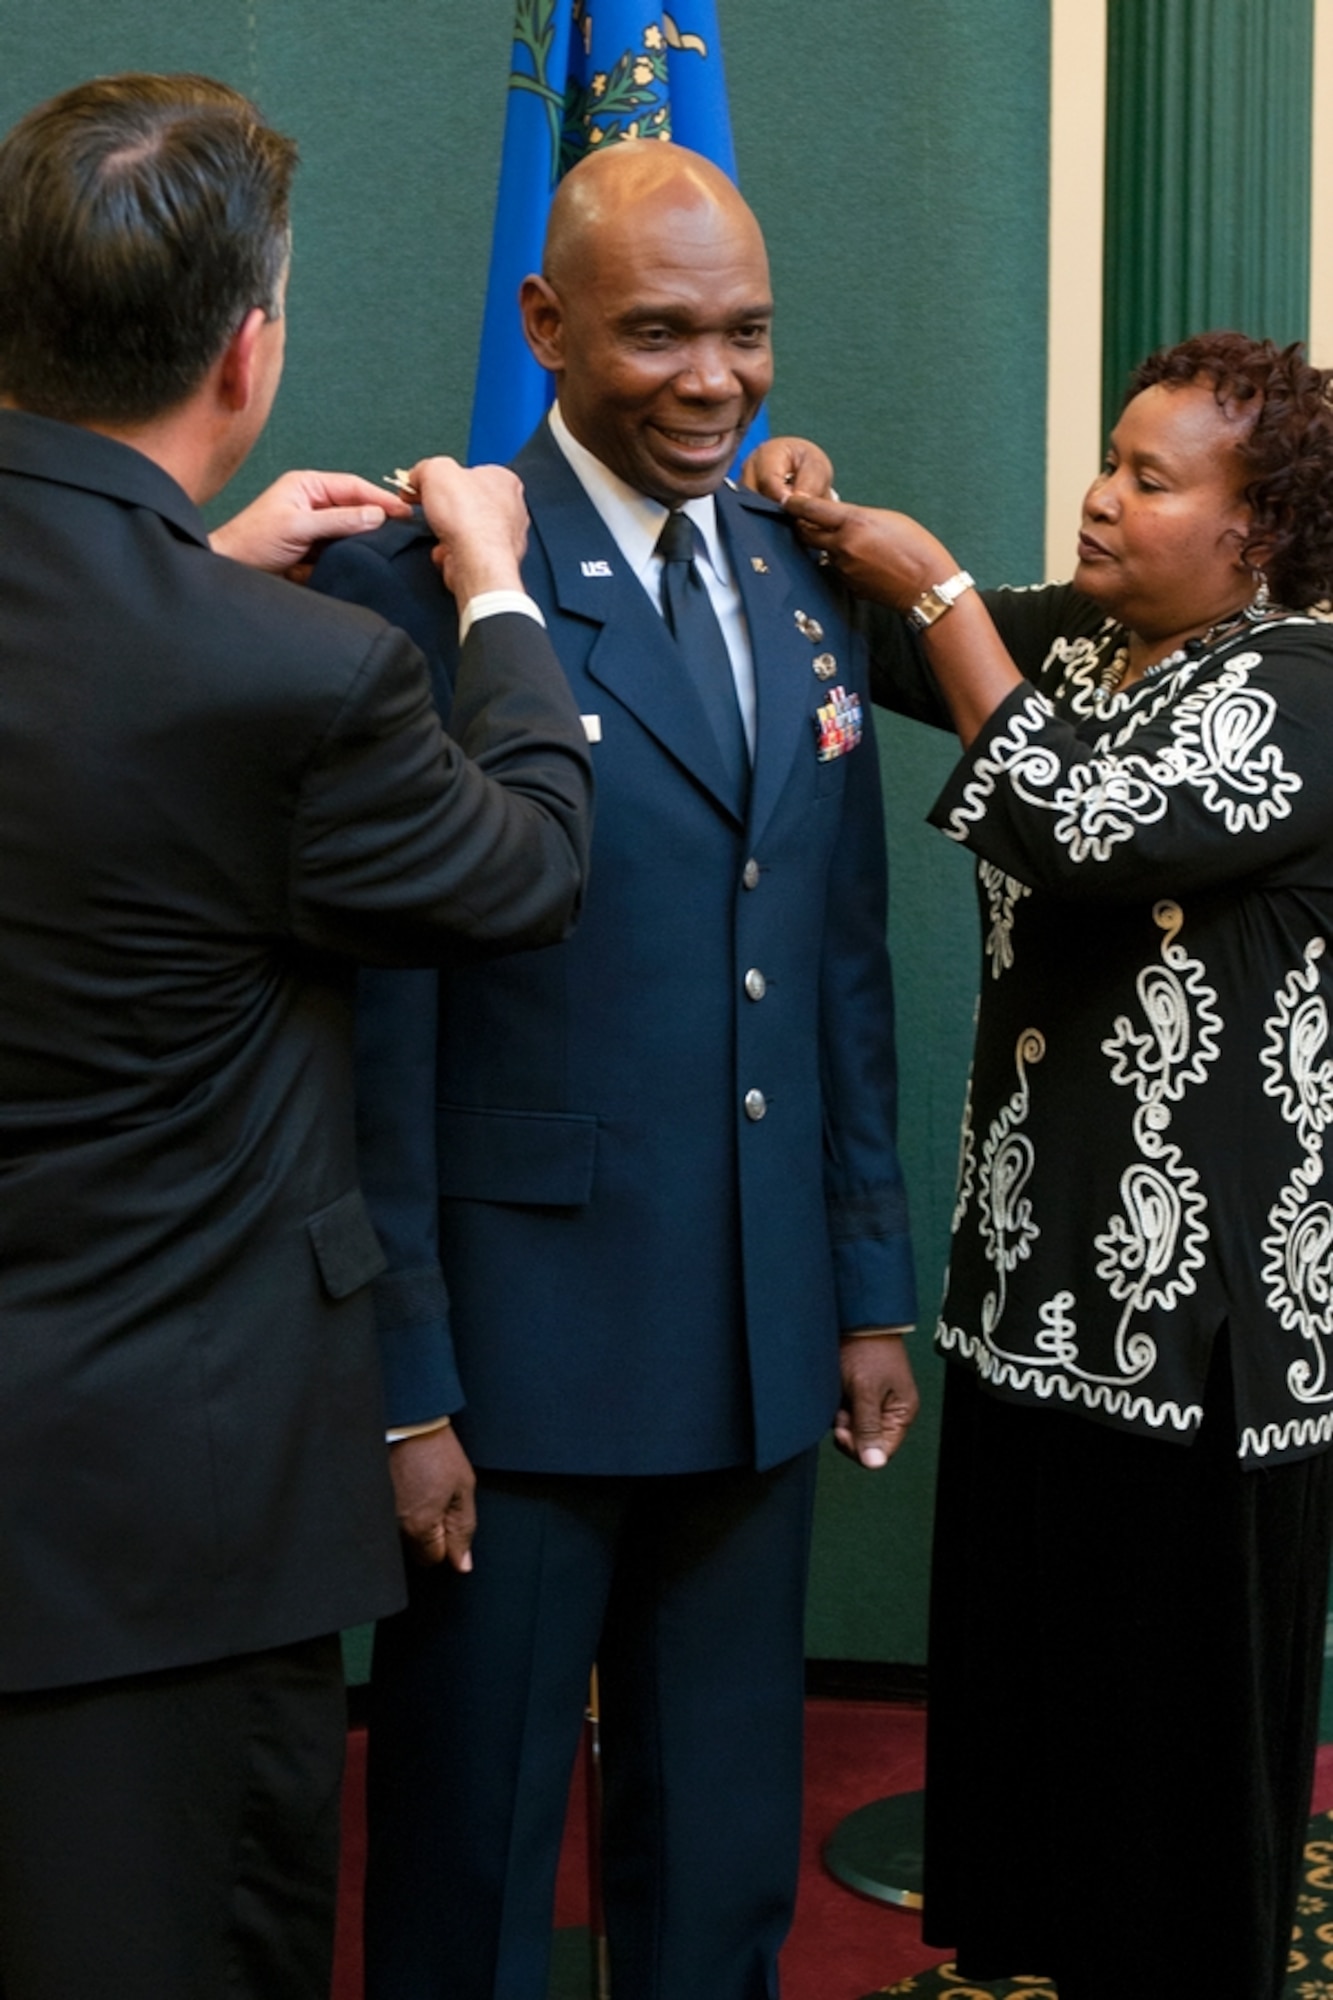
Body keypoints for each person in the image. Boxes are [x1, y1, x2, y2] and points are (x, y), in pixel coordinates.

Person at [0, 71, 593, 2000]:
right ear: (247, 352)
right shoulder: (308, 676)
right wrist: (501, 602)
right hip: (158, 1538)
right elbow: (523, 869)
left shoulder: (225, 635)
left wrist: (191, 573)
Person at [312, 139, 919, 1999]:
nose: (713, 380)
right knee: (467, 1863)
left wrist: (866, 1282)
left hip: (753, 1327)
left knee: (724, 1855)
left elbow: (834, 965)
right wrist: (409, 1382)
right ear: (545, 324)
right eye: (658, 335)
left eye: (744, 335)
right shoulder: (426, 597)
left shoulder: (797, 580)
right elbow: (374, 1024)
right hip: (523, 1356)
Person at [763, 331, 1333, 2000]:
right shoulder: (1092, 645)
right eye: (1108, 457)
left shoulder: (1300, 687)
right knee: (1048, 1756)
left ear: (1258, 533)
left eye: (1149, 480)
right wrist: (811, 512)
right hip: (1036, 1301)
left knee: (1167, 1779)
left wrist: (934, 581)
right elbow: (877, 634)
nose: (1098, 495)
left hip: (1205, 1340)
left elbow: (1089, 830)